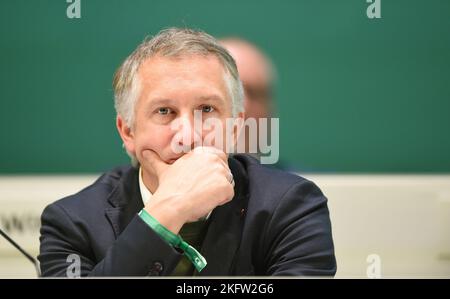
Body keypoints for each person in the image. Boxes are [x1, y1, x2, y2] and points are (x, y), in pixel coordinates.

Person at [38, 28, 336, 276]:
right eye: (164, 111)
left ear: (235, 128)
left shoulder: (292, 207)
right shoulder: (71, 223)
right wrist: (166, 212)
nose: (188, 136)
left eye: (206, 109)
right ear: (128, 131)